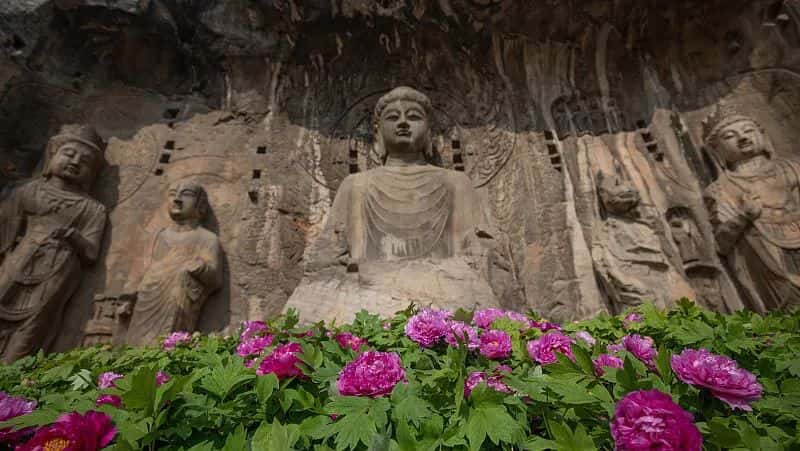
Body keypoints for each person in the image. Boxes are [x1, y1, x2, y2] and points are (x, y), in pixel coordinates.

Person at [0, 125, 107, 362]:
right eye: (69, 154)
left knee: (35, 325)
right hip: (16, 262)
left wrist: (74, 237)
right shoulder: (26, 191)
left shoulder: (92, 208)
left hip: (57, 272)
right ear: (52, 156)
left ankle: (10, 374)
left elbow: (91, 252)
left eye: (85, 161)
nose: (75, 162)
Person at [703, 104, 800, 312]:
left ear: (762, 135)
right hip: (768, 262)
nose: (743, 138)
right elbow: (721, 243)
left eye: (748, 130)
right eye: (730, 136)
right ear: (716, 150)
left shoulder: (792, 168)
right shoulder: (720, 189)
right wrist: (744, 216)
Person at [122, 181, 222, 345]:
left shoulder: (206, 238)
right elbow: (139, 271)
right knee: (134, 347)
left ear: (200, 204)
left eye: (186, 194)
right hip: (145, 302)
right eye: (173, 194)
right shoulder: (155, 237)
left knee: (167, 346)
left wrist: (200, 268)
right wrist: (127, 298)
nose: (177, 199)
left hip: (178, 303)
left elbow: (215, 279)